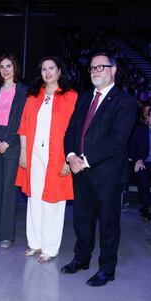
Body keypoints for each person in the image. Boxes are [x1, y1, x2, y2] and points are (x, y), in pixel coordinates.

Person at [62, 53, 137, 286]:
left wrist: (84, 160)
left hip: (106, 175)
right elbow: (71, 131)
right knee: (82, 219)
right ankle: (82, 258)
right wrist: (71, 155)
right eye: (92, 68)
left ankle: (107, 268)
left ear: (113, 70)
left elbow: (117, 141)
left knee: (108, 224)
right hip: (80, 171)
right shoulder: (84, 98)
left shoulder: (124, 101)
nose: (95, 71)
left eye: (101, 67)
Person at [16, 56, 77, 262]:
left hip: (58, 155)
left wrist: (69, 159)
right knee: (34, 199)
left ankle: (50, 248)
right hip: (34, 154)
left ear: (60, 71)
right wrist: (23, 152)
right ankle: (35, 243)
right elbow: (24, 125)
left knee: (53, 201)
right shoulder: (34, 96)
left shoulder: (70, 96)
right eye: (44, 69)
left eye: (52, 68)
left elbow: (75, 131)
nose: (48, 72)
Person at [0, 54, 28, 249]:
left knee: (9, 190)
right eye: (1, 67)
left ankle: (6, 235)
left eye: (8, 66)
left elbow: (21, 119)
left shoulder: (23, 91)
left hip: (13, 142)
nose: (5, 70)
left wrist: (8, 141)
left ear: (15, 68)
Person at [129, 105, 151, 220]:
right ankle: (147, 206)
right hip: (143, 162)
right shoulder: (140, 130)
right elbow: (130, 149)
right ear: (148, 117)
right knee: (143, 177)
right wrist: (137, 159)